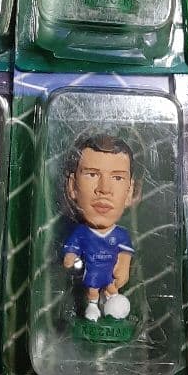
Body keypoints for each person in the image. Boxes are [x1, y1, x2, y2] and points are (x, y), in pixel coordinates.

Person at [62, 134, 137, 324]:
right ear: (72, 186)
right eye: (92, 174)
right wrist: (70, 257)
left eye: (117, 177)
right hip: (92, 275)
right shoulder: (81, 233)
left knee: (113, 295)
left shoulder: (120, 235)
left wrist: (123, 266)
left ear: (130, 191)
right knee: (93, 292)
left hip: (110, 279)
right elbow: (72, 250)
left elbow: (125, 255)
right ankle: (93, 307)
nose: (104, 189)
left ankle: (113, 308)